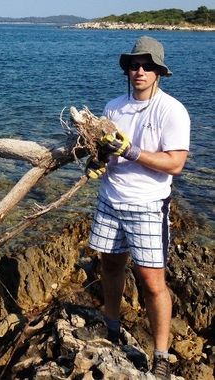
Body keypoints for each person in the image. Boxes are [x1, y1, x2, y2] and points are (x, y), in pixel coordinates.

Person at [86, 36, 190, 379]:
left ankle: (161, 355)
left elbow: (175, 163)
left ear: (158, 70)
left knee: (152, 282)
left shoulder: (172, 110)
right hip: (110, 199)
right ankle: (111, 326)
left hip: (147, 205)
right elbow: (107, 151)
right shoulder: (113, 107)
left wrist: (133, 151)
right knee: (111, 266)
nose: (139, 70)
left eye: (147, 65)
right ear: (127, 70)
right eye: (134, 65)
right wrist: (97, 160)